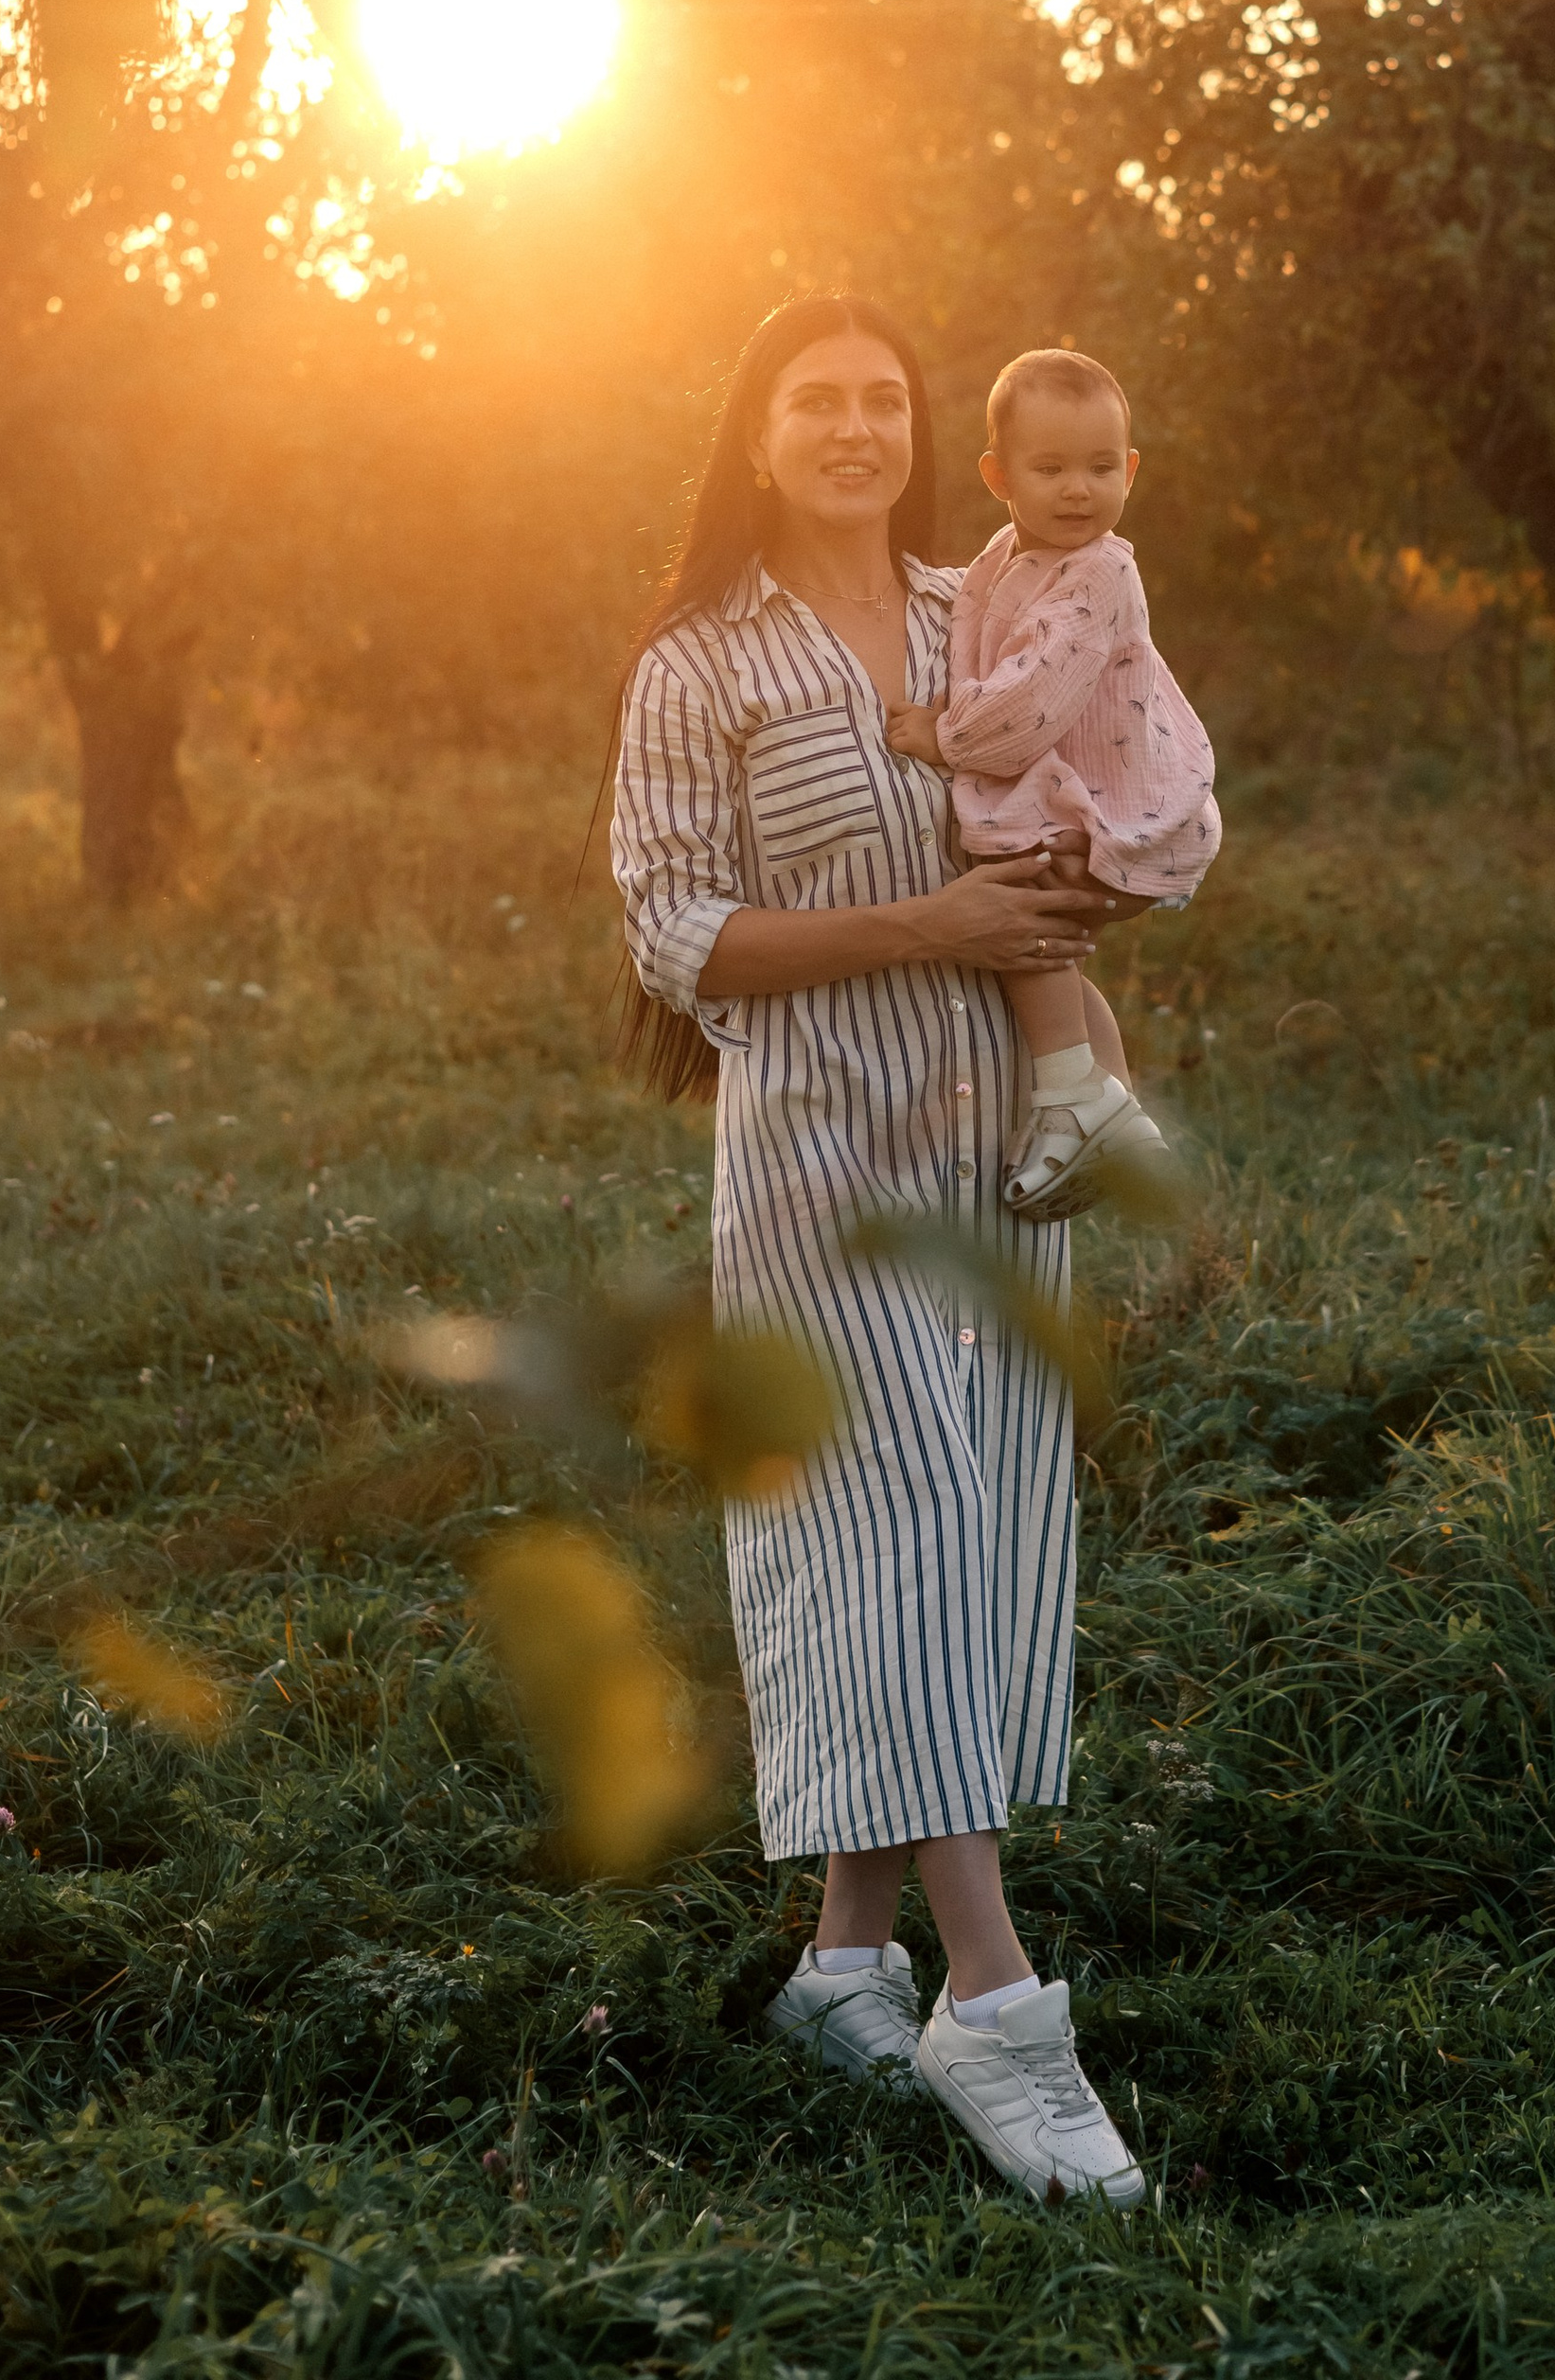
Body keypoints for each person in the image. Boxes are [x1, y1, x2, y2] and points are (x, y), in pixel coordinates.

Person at [610, 295, 1149, 2209]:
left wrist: (1084, 955)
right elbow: (679, 934)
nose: (850, 426)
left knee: (967, 1534)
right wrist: (932, 921)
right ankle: (995, 2002)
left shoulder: (989, 605)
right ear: (757, 435)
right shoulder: (698, 662)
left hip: (999, 1146)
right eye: (813, 401)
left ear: (920, 432)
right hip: (824, 1161)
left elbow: (1064, 829)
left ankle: (844, 1962)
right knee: (895, 1516)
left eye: (879, 401)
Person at [885, 346, 1218, 1222]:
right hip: (1066, 788)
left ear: (1132, 469)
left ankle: (1071, 1091)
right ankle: (1116, 1111)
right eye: (1052, 467)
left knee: (1021, 899)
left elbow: (1030, 703)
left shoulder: (1102, 569)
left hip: (1102, 800)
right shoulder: (1001, 558)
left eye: (1102, 467)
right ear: (999, 475)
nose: (1080, 489)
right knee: (1055, 954)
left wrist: (943, 732)